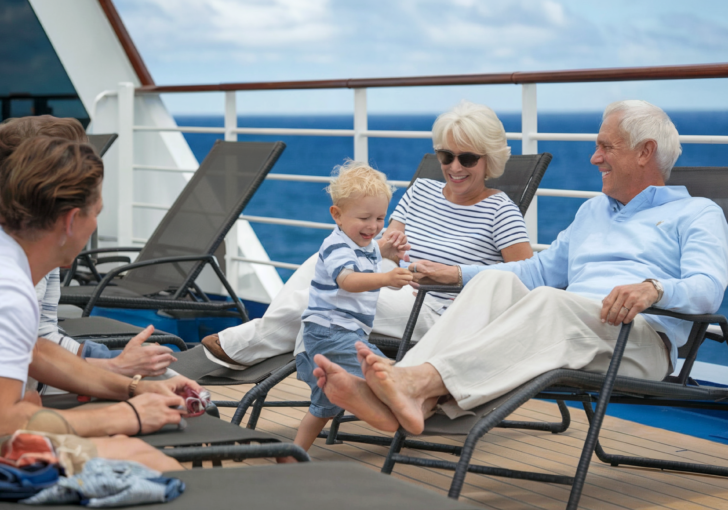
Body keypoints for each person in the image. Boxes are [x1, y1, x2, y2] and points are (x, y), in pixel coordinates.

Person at [312, 99, 728, 436]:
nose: (593, 157)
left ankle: (409, 385)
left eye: (606, 147)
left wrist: (654, 289)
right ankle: (407, 393)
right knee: (494, 283)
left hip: (636, 343)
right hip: (572, 327)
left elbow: (708, 287)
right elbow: (534, 271)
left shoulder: (696, 213)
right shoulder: (592, 211)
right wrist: (456, 275)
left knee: (550, 301)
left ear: (645, 152)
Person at [200, 101, 533, 368]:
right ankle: (268, 346)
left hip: (436, 312)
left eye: (468, 158)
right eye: (447, 155)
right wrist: (387, 247)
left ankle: (243, 346)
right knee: (324, 261)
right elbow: (382, 246)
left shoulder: (500, 211)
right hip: (396, 283)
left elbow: (524, 281)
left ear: (490, 159)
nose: (455, 167)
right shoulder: (423, 191)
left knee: (326, 299)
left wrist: (452, 277)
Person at [0, 136, 201, 470]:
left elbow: (34, 351)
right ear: (71, 220)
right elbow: (6, 422)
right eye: (96, 213)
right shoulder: (10, 291)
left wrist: (135, 389)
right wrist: (126, 416)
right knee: (155, 464)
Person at [0, 116, 177, 382]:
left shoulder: (28, 251)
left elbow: (35, 344)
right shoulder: (12, 282)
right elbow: (11, 416)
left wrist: (113, 368)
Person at [287, 162, 411, 457]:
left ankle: (291, 455)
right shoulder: (335, 246)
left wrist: (389, 255)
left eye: (381, 217)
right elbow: (349, 281)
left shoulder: (363, 243)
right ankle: (399, 416)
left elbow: (372, 256)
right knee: (387, 374)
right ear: (337, 215)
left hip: (339, 332)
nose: (373, 226)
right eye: (365, 217)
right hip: (332, 333)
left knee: (323, 407)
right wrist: (386, 277)